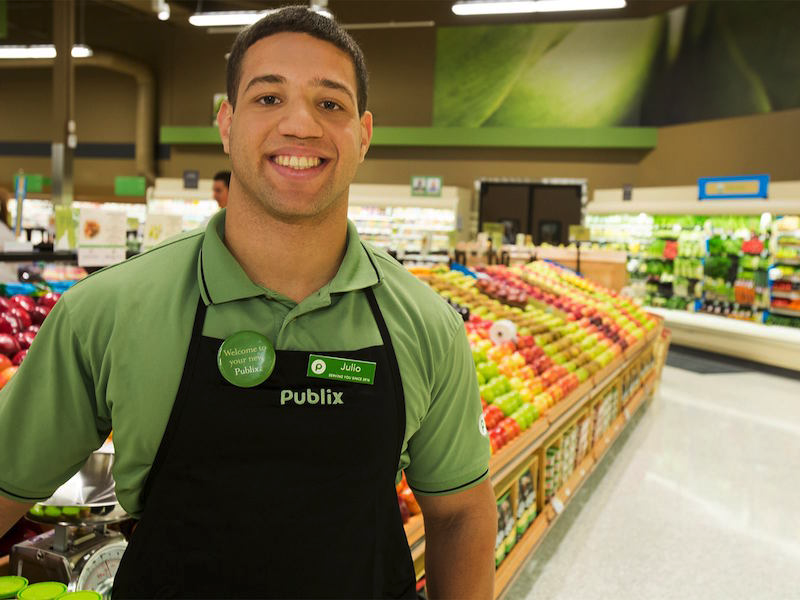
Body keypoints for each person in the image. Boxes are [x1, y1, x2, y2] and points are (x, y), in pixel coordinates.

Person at [0, 6, 496, 598]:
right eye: (268, 98)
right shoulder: (105, 311)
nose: (300, 125)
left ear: (363, 135)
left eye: (330, 103)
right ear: (227, 123)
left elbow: (461, 514)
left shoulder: (425, 325)